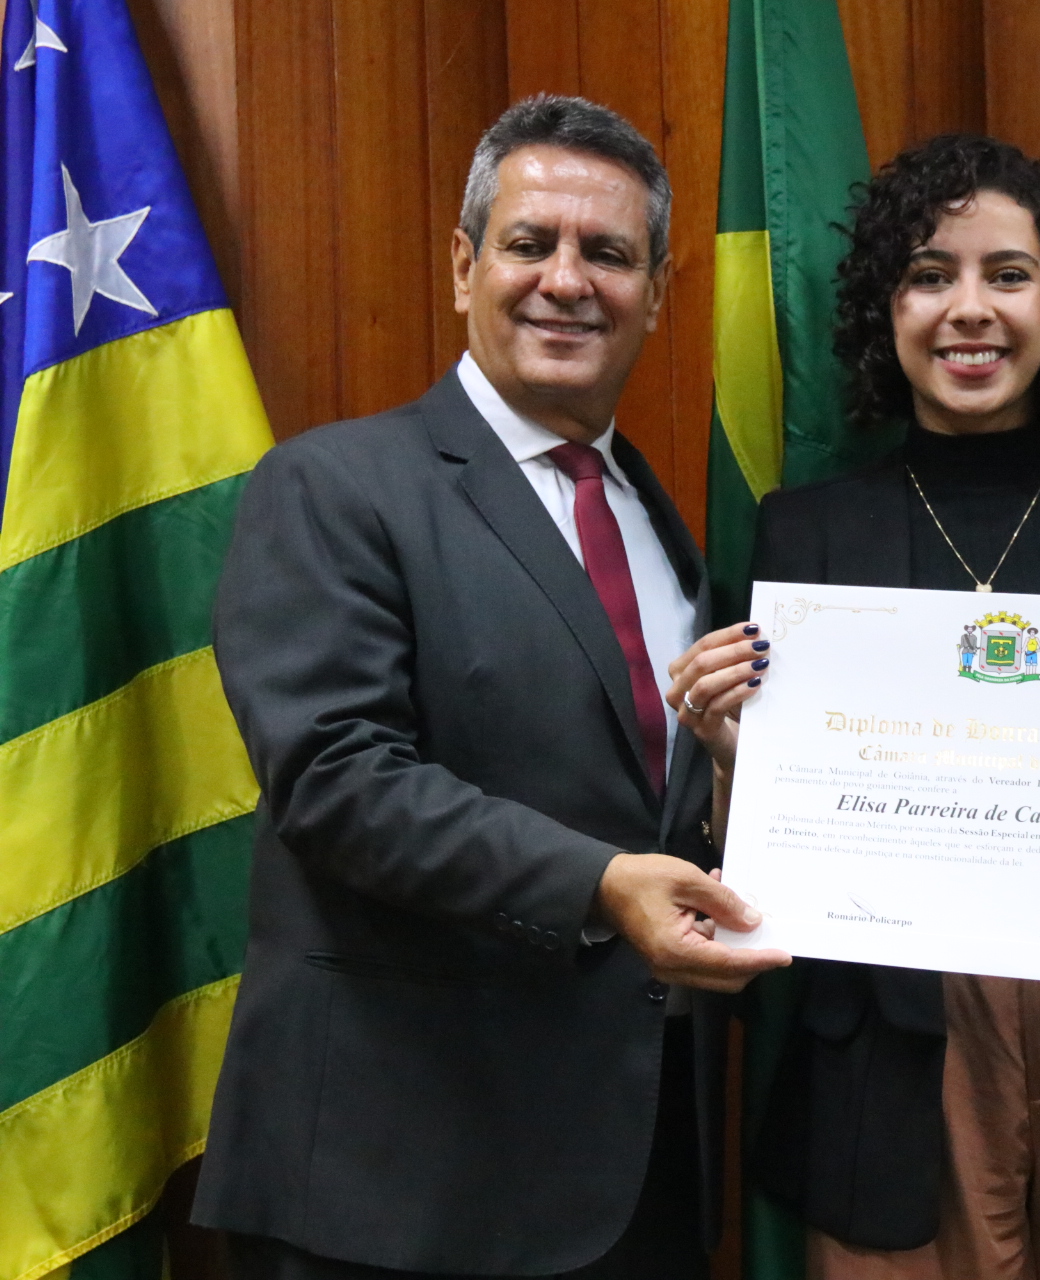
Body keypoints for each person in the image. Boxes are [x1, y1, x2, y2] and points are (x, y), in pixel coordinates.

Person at [668, 134, 1040, 1280]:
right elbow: (766, 860)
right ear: (885, 308)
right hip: (897, 1071)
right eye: (928, 274)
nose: (970, 309)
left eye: (1008, 273)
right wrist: (727, 754)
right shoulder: (807, 534)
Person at [192, 96, 787, 1280]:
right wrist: (601, 883)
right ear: (465, 267)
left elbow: (651, 799)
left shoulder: (662, 525)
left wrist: (729, 782)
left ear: (655, 295)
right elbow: (336, 780)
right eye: (530, 243)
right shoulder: (333, 486)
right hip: (398, 1185)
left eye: (607, 252)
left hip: (631, 1179)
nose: (567, 280)